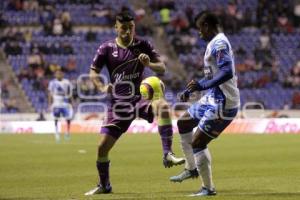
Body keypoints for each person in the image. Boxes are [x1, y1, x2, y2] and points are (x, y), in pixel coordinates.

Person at [85, 11, 184, 195]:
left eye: (131, 27)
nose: (127, 31)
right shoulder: (106, 48)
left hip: (140, 98)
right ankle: (105, 185)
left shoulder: (143, 45)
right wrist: (100, 87)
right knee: (102, 148)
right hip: (119, 104)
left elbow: (161, 68)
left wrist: (149, 65)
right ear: (116, 27)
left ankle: (167, 154)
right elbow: (93, 72)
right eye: (123, 27)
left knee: (162, 106)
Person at [170, 11, 240, 196]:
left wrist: (201, 85)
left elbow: (227, 72)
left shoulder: (219, 43)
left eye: (199, 28)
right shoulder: (214, 43)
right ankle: (191, 168)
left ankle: (208, 188)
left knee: (198, 141)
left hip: (224, 102)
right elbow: (214, 74)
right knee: (183, 122)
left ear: (206, 26)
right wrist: (193, 89)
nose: (199, 33)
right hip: (212, 96)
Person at [48, 69, 73, 142]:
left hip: (65, 102)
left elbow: (70, 93)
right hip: (56, 102)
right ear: (55, 75)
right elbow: (50, 94)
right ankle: (56, 132)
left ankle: (67, 132)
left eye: (60, 73)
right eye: (57, 74)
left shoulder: (67, 82)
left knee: (68, 118)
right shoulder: (52, 82)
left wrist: (71, 102)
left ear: (62, 74)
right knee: (56, 118)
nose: (58, 75)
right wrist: (49, 104)